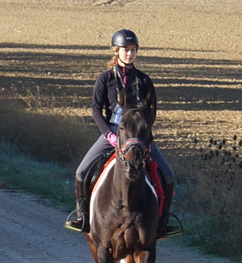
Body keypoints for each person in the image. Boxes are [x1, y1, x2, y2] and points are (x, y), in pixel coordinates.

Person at [65, 29, 182, 239]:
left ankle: (162, 223)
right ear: (116, 51)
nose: (130, 54)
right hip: (112, 133)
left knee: (169, 175)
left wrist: (142, 135)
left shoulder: (144, 81)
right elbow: (95, 109)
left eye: (133, 50)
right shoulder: (105, 78)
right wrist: (108, 134)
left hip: (137, 137)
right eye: (126, 50)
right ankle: (82, 217)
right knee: (82, 173)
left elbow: (152, 111)